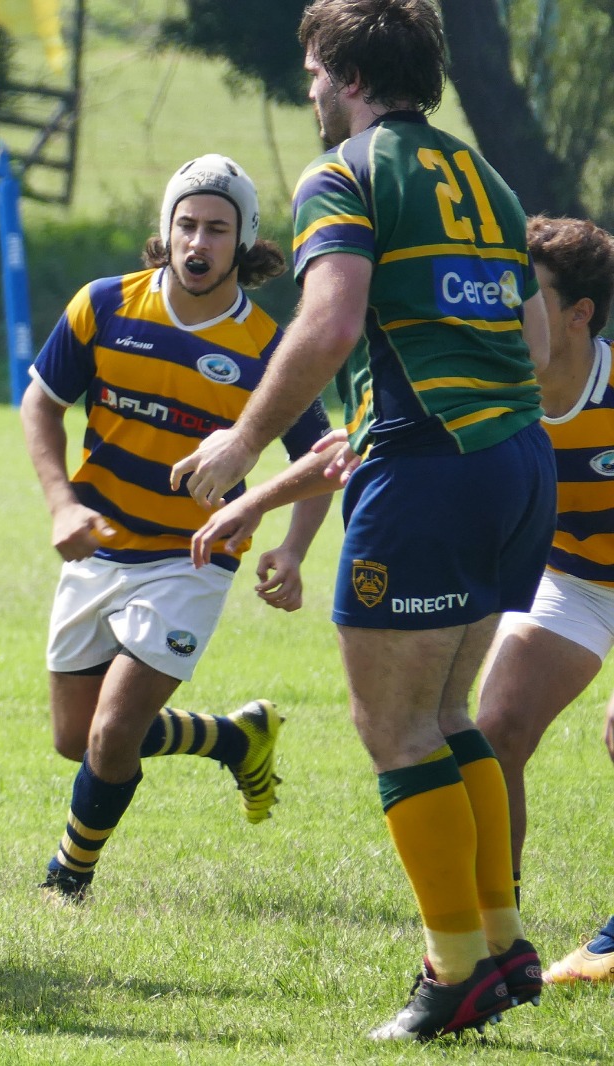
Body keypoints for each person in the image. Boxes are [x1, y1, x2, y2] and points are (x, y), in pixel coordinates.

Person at [170, 0, 552, 1041]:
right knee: (450, 713)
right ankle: (501, 944)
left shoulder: (345, 171)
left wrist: (242, 444)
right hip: (517, 458)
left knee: (392, 726)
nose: (306, 92)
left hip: (433, 468)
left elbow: (330, 320)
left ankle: (453, 970)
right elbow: (529, 328)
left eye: (308, 72)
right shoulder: (483, 175)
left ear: (340, 72)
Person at [20, 154, 332, 904]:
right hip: (100, 546)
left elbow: (320, 460)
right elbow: (40, 404)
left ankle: (68, 879)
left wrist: (291, 550)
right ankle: (233, 738)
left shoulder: (266, 346)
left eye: (217, 229)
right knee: (77, 737)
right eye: (186, 224)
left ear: (243, 240)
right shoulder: (104, 305)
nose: (199, 242)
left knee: (111, 734)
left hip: (193, 559)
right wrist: (62, 503)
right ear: (165, 230)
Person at [470, 216, 614, 985]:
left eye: (528, 292)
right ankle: (502, 942)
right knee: (495, 733)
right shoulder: (500, 385)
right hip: (574, 582)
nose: (508, 305)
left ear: (580, 313)